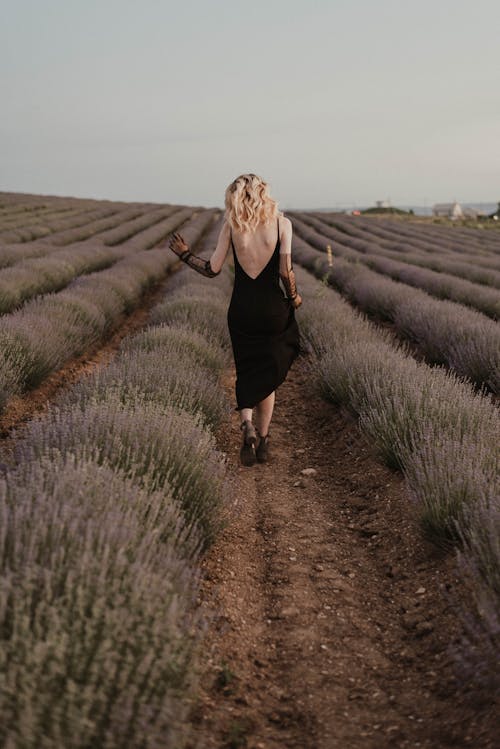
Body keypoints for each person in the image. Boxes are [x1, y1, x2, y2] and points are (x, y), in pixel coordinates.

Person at [168, 173, 302, 466]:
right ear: (263, 193)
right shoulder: (282, 224)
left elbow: (213, 269)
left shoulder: (232, 226)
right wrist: (294, 298)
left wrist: (185, 255)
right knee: (267, 377)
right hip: (271, 310)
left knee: (245, 368)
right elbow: (284, 272)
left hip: (241, 309)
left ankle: (247, 425)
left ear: (236, 197)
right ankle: (264, 441)